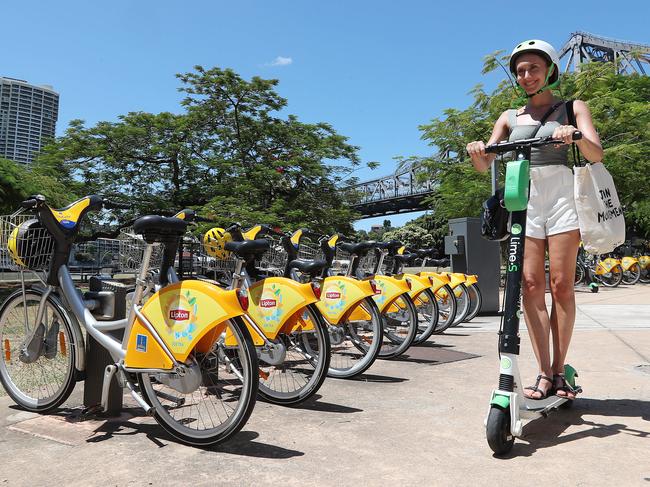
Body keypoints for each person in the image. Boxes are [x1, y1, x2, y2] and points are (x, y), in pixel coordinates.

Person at [466, 39, 603, 400]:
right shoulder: (509, 117)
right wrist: (477, 150)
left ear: (550, 71)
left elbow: (595, 152)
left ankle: (561, 369)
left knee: (560, 285)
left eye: (533, 69)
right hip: (522, 197)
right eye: (520, 71)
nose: (525, 76)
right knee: (528, 284)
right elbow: (485, 164)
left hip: (561, 196)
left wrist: (573, 135)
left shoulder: (573, 107)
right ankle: (543, 371)